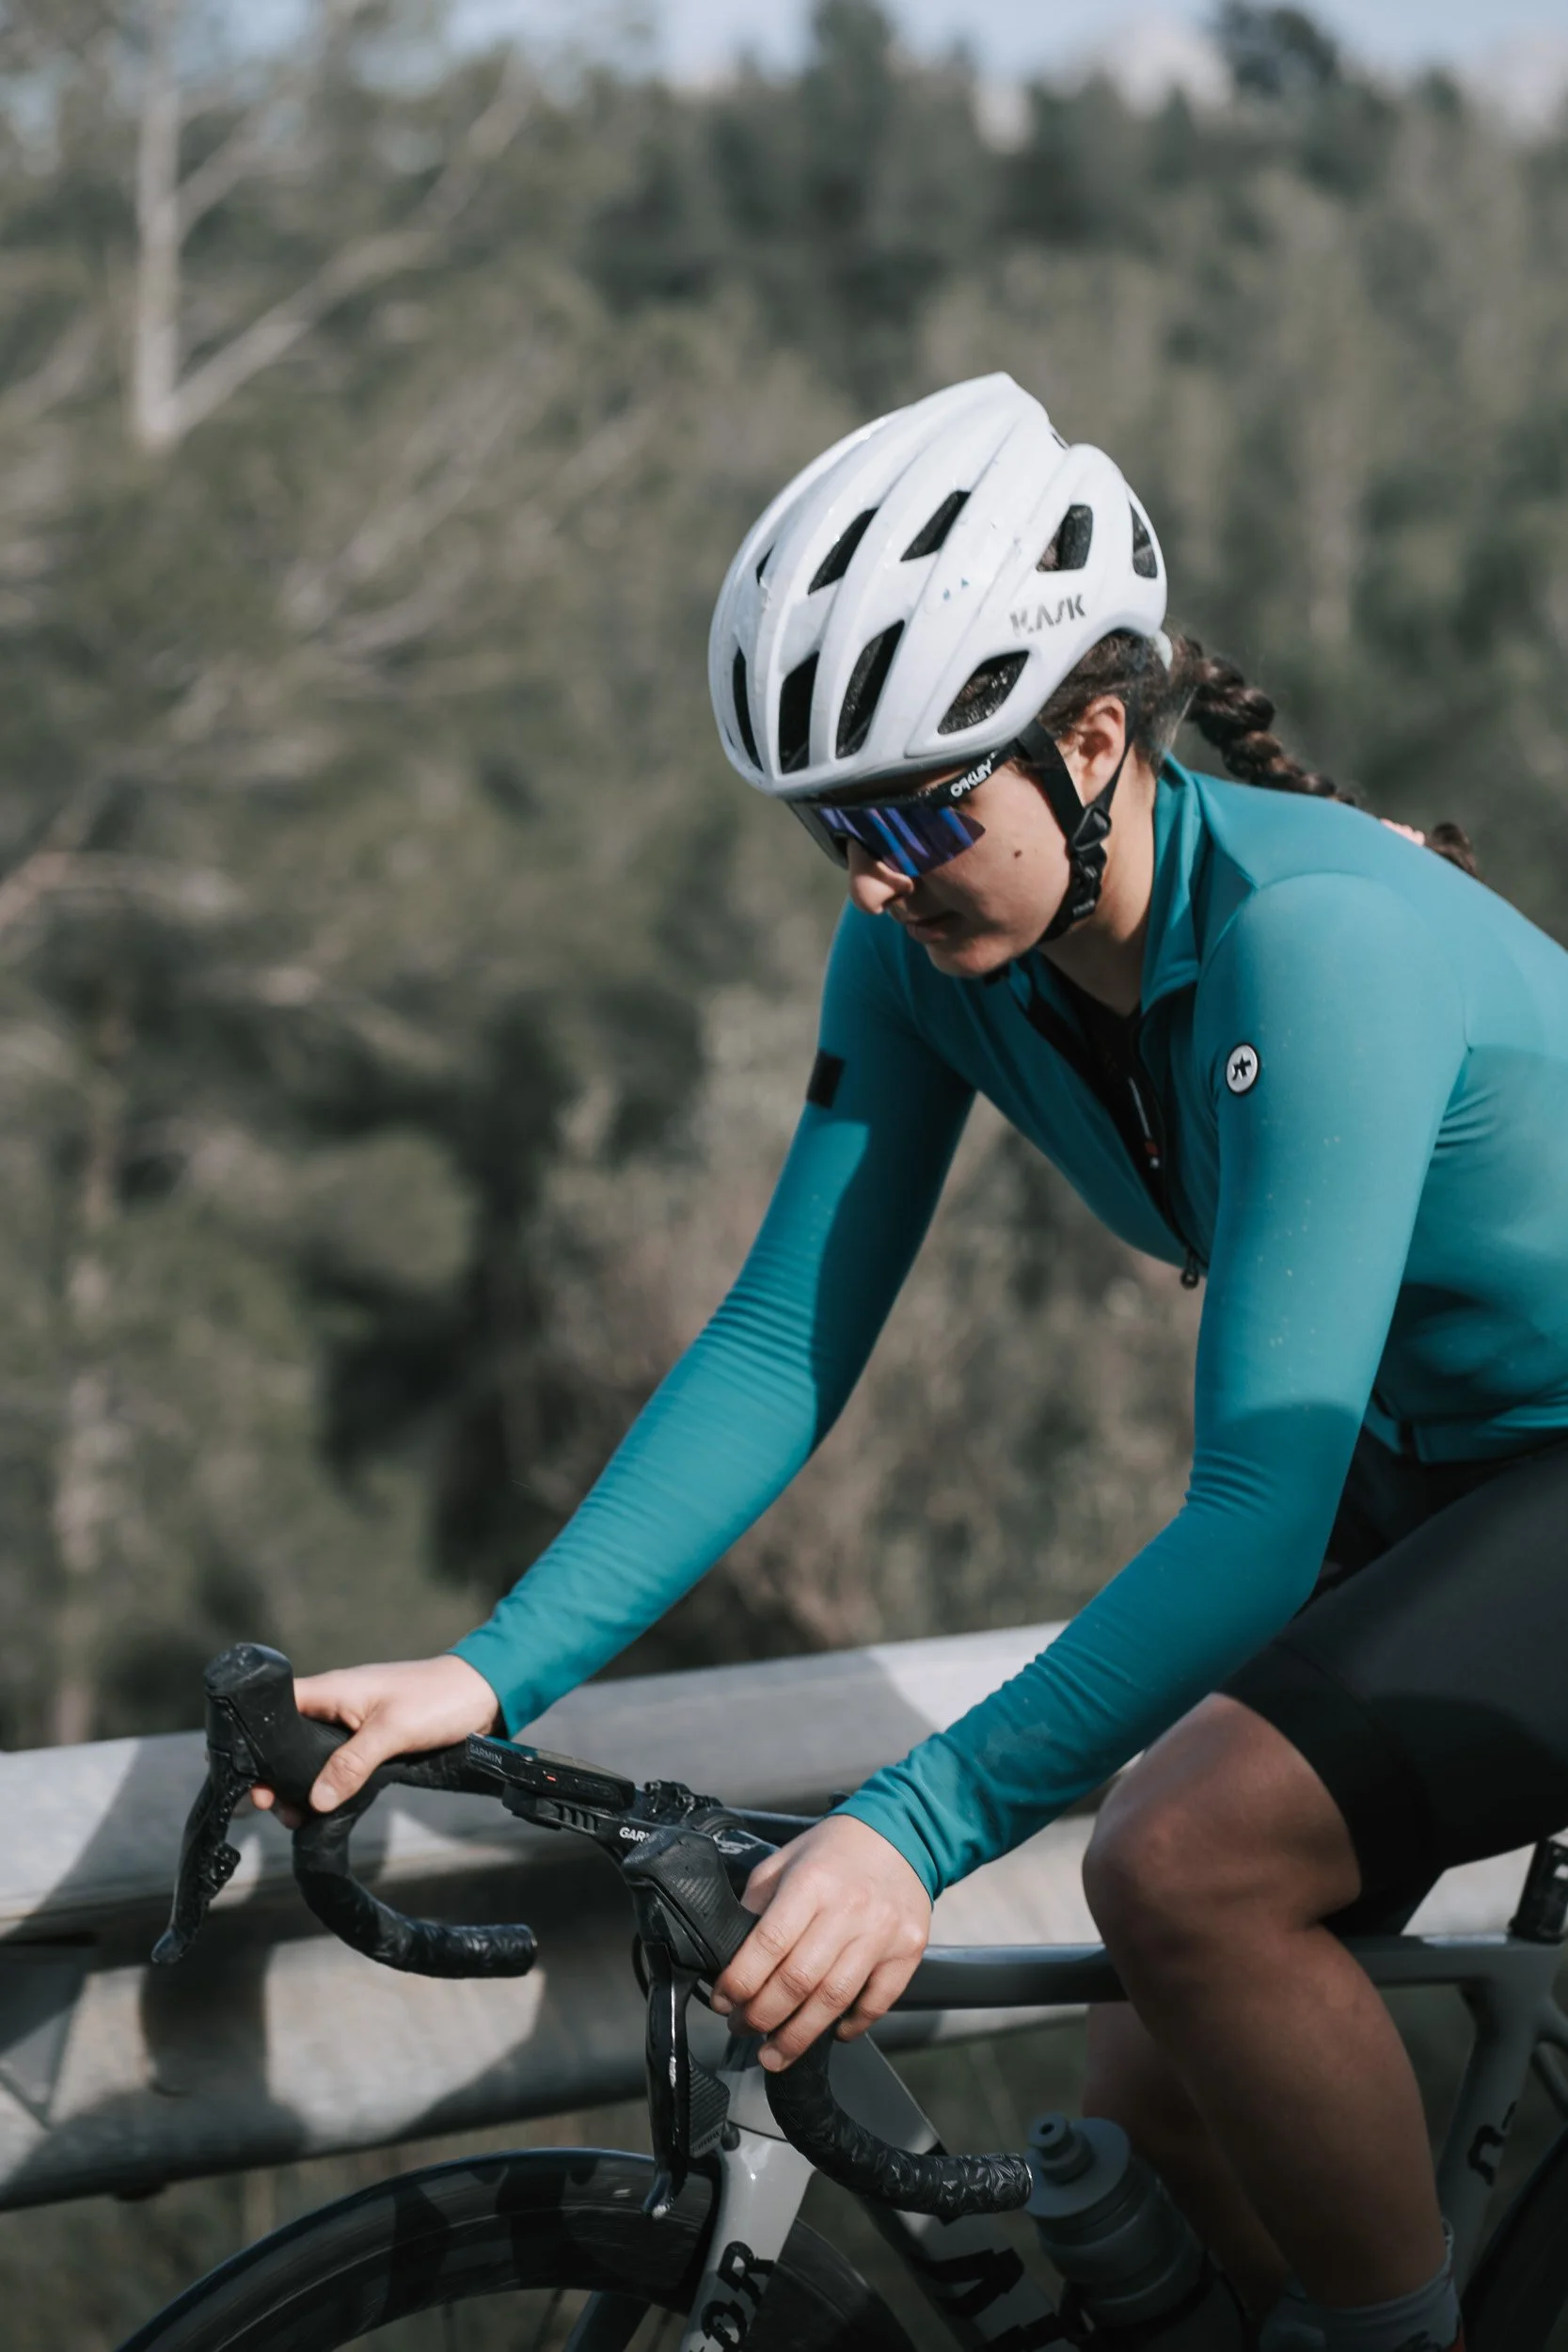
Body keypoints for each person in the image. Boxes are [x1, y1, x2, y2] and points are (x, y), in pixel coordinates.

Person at [255, 375, 1568, 2352]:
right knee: (1164, 2104)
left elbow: (1254, 1504)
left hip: (1498, 1467)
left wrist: (908, 1822)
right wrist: (492, 1663)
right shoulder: (933, 960)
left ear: (1093, 739)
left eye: (901, 814)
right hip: (1445, 1467)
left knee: (1188, 1863)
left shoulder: (1312, 941)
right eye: (823, 829)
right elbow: (784, 1337)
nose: (867, 878)